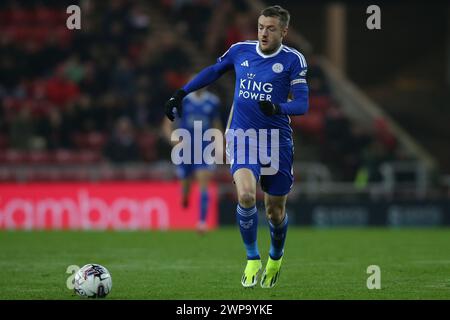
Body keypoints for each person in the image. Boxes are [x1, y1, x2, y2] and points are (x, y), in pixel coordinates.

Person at [164, 5, 309, 288]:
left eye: (270, 28)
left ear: (284, 31)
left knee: (274, 213)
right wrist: (181, 93)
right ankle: (252, 259)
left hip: (275, 141)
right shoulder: (241, 50)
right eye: (260, 27)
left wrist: (278, 107)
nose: (264, 33)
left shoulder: (294, 60)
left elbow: (302, 104)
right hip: (242, 137)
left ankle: (275, 258)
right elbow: (213, 71)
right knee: (245, 196)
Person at [163, 87, 223, 234]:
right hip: (185, 147)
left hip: (204, 147)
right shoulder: (183, 100)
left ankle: (202, 222)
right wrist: (173, 140)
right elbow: (167, 123)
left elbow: (216, 125)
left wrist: (219, 145)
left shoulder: (213, 101)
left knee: (204, 182)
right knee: (185, 185)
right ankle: (185, 195)